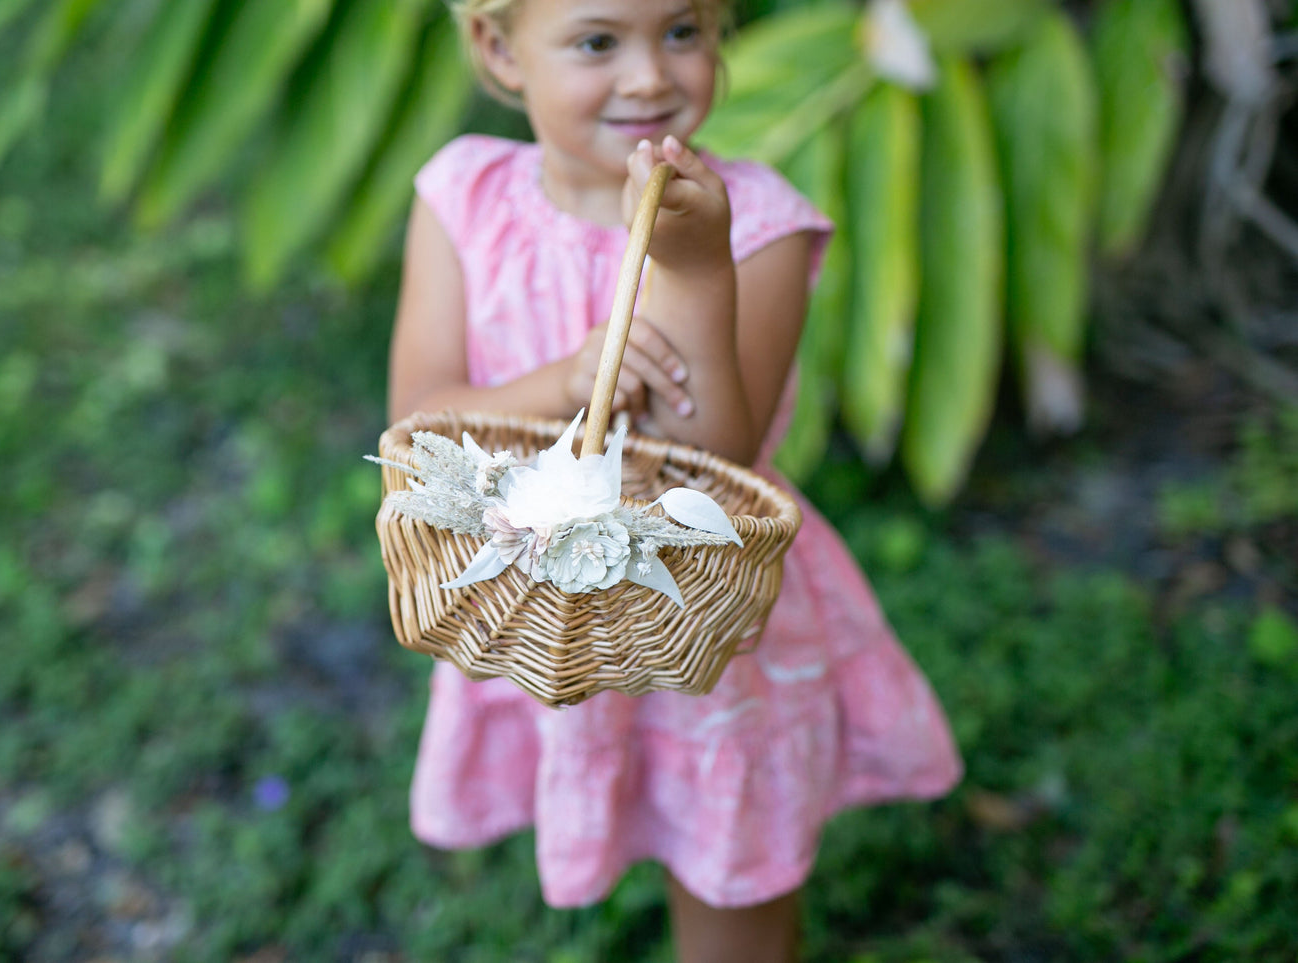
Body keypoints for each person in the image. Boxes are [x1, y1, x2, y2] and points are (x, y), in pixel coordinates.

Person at [385, 1, 963, 959]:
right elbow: (418, 424)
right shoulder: (463, 197)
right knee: (618, 789)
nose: (652, 76)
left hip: (698, 615)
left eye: (683, 31)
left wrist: (691, 270)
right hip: (544, 611)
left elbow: (718, 463)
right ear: (498, 48)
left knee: (728, 873)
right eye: (597, 41)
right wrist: (563, 385)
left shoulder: (756, 224)